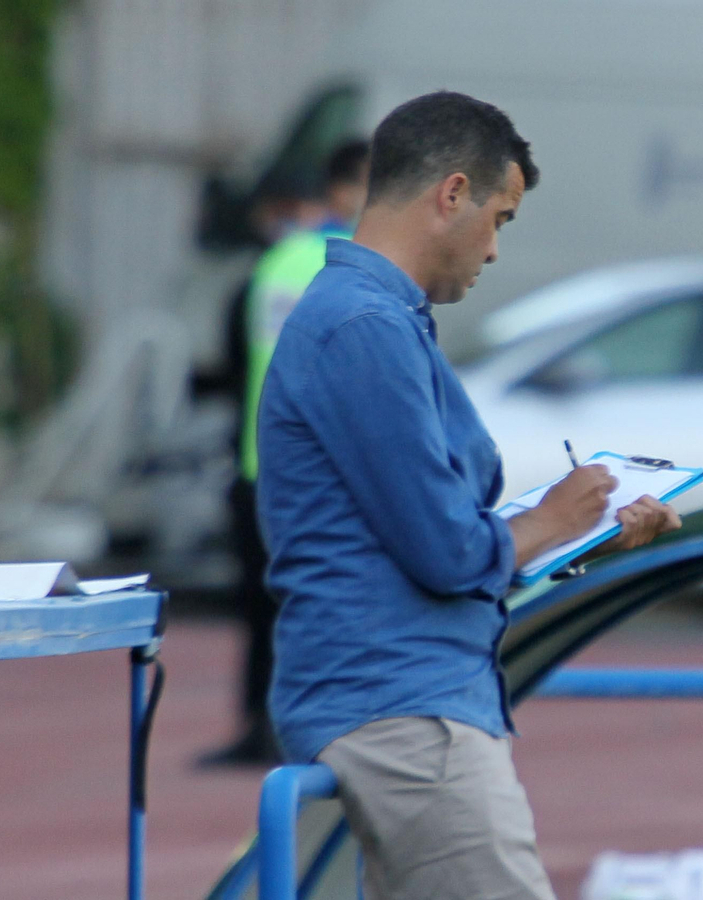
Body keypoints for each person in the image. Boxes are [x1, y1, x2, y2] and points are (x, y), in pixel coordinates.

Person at [256, 91, 681, 900]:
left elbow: (424, 542)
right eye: (502, 218)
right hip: (402, 716)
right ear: (451, 195)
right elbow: (448, 551)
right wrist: (552, 515)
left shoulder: (379, 318)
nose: (494, 250)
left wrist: (579, 534)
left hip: (398, 705)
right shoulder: (363, 327)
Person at [200, 138, 372, 767]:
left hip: (259, 464)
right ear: (346, 192)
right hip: (329, 472)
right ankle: (314, 732)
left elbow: (236, 362)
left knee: (263, 606)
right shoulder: (359, 266)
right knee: (318, 606)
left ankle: (259, 730)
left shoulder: (278, 265)